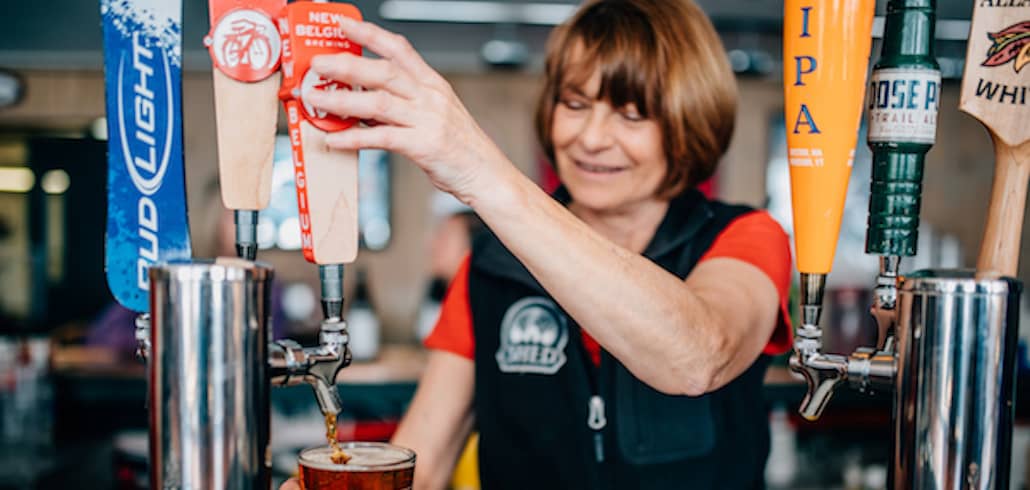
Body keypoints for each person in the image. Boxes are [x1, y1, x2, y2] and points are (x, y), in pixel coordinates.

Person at [283, 0, 792, 488]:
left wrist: (479, 168)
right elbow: (425, 463)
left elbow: (699, 356)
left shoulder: (743, 236)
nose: (591, 138)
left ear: (690, 122)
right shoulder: (490, 264)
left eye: (631, 114)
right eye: (574, 104)